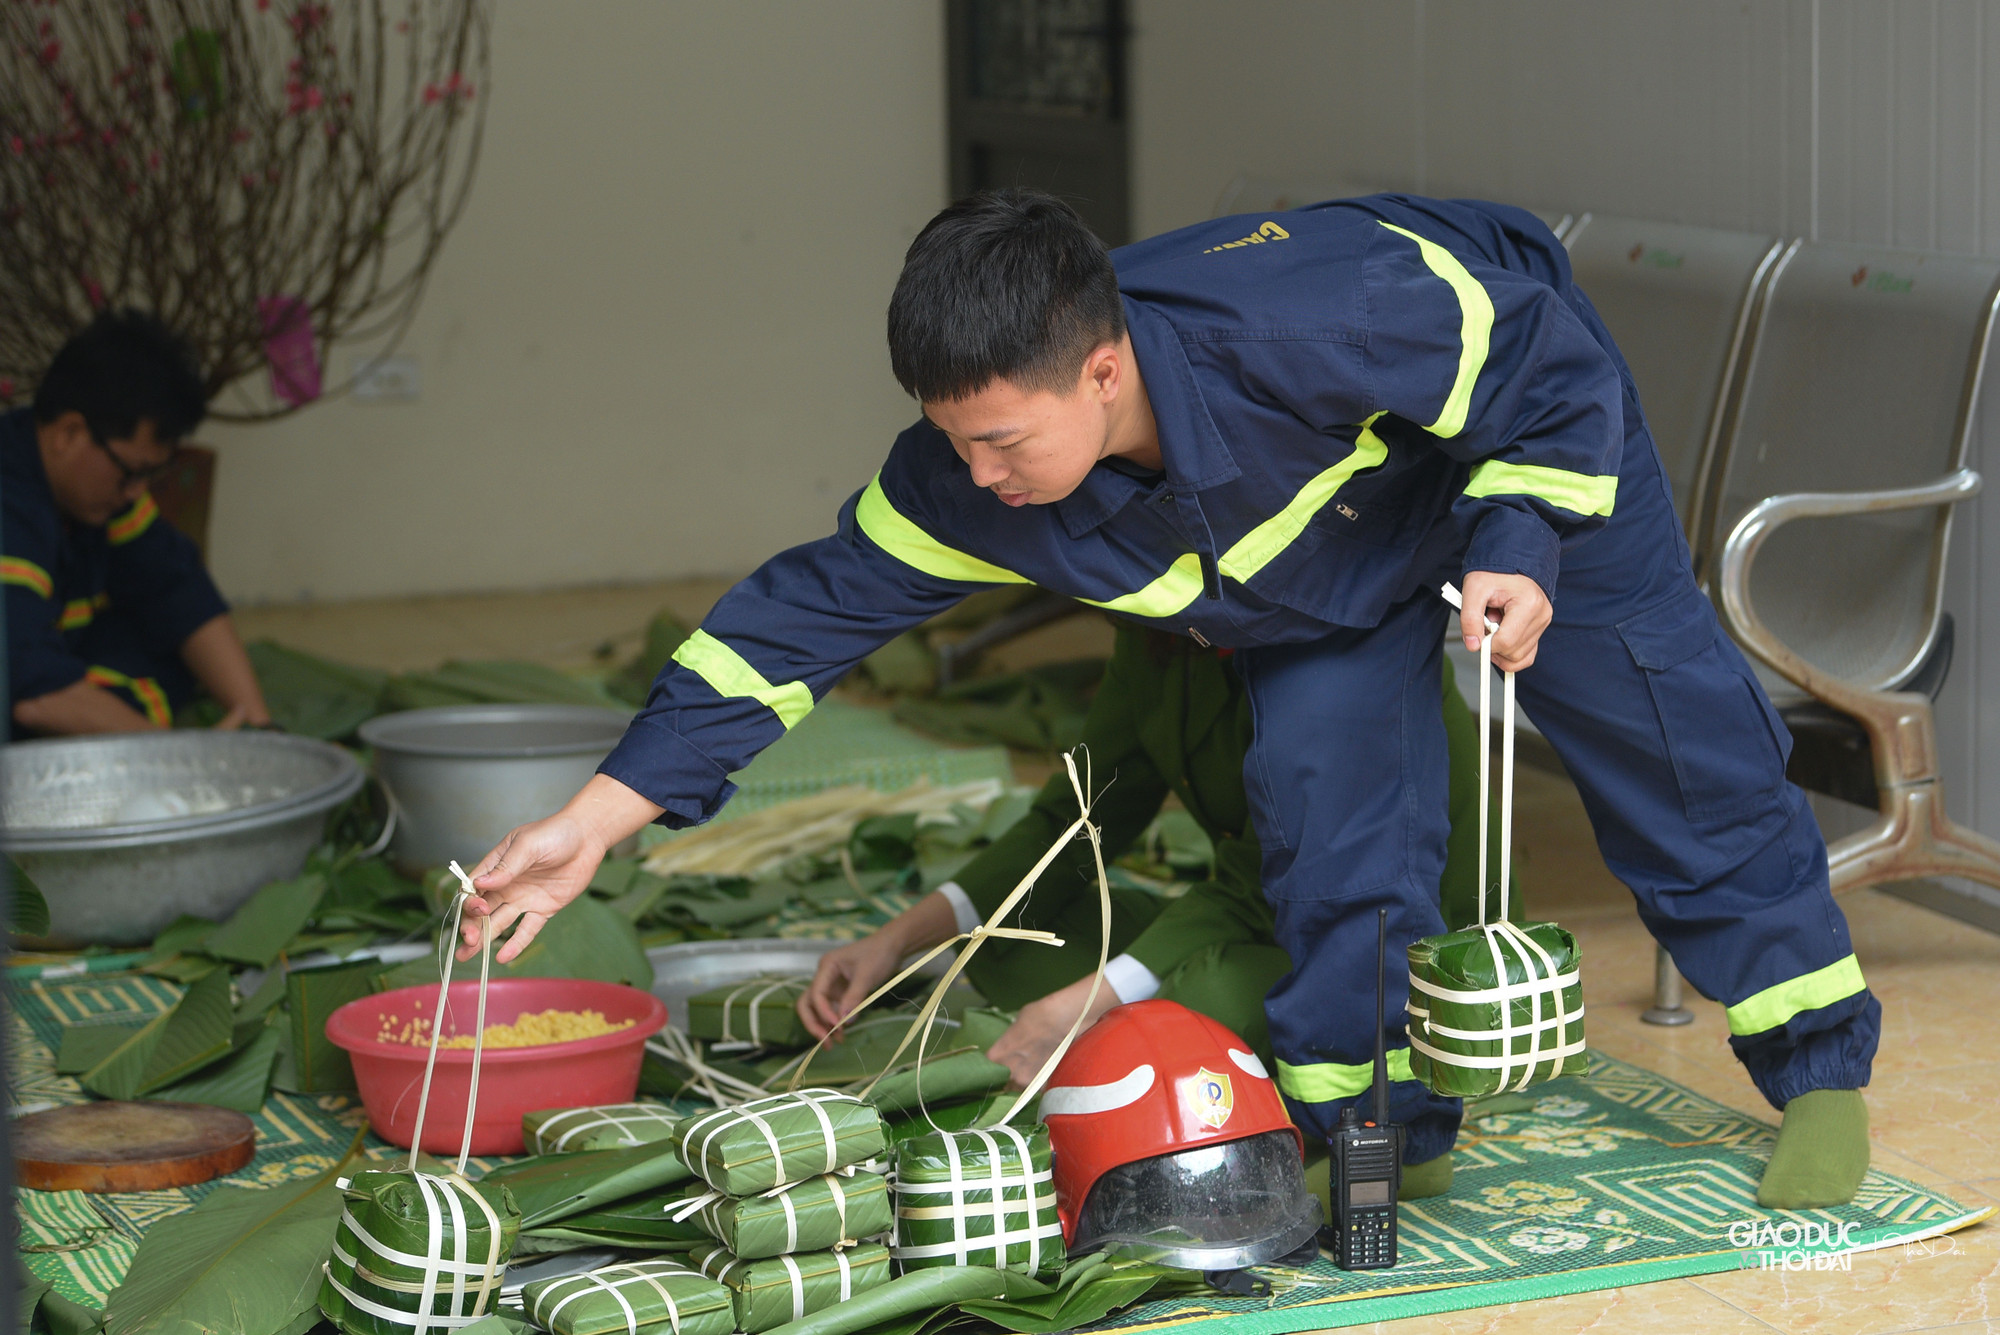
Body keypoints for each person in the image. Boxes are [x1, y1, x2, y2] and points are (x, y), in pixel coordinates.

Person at [462, 190, 1875, 1210]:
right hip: (1324, 572)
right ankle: (1381, 1134)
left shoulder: (1321, 310)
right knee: (1325, 818)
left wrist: (1514, 544)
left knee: (1670, 743)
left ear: (1102, 365)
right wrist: (597, 817)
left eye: (1005, 439)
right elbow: (798, 618)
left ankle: (1817, 1066)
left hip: (1518, 448)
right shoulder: (974, 473)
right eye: (959, 441)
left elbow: (1536, 360)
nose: (985, 476)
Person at [796, 626, 1511, 1112]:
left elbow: (1263, 872)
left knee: (1199, 1001)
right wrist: (896, 940)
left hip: (1383, 942)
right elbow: (1074, 820)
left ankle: (1124, 1044)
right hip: (1254, 909)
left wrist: (1077, 1005)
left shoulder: (1321, 642)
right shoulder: (1157, 633)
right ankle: (1119, 1040)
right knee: (1011, 941)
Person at [3, 310, 272, 737]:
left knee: (164, 642)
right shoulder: (11, 505)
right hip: (17, 697)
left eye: (149, 476)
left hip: (46, 666)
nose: (135, 493)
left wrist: (261, 729)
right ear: (70, 432)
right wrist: (176, 761)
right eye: (130, 472)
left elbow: (177, 588)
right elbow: (33, 692)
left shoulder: (101, 494)